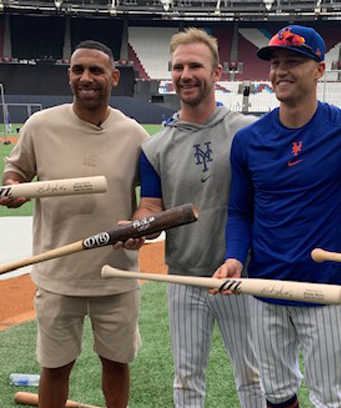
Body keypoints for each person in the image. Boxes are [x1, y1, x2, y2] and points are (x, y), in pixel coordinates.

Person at [213, 25, 341, 408]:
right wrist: (234, 258)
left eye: (293, 61)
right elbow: (240, 211)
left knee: (330, 396)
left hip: (323, 288)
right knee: (275, 392)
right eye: (275, 63)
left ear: (319, 70)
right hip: (264, 287)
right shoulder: (248, 140)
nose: (280, 71)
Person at [0, 40, 148, 408]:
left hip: (116, 275)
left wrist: (141, 226)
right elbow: (15, 170)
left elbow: (152, 200)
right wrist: (13, 187)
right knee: (55, 366)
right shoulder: (40, 126)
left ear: (113, 77)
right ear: (69, 75)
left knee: (116, 363)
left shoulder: (135, 135)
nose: (86, 78)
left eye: (96, 70)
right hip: (57, 273)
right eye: (78, 70)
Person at [116, 27, 265, 408]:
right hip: (183, 275)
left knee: (252, 374)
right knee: (186, 377)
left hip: (240, 274)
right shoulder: (154, 148)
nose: (185, 74)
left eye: (195, 65)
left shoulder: (248, 133)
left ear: (217, 73)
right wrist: (138, 226)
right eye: (178, 66)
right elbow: (151, 206)